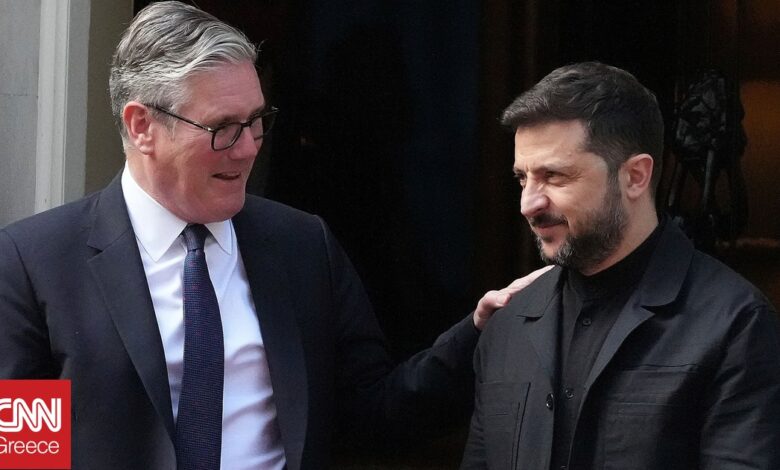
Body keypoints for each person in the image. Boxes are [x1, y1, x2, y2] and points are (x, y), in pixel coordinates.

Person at [0, 2, 546, 469]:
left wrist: (477, 333)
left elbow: (376, 414)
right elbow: (25, 455)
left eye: (257, 121)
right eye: (223, 128)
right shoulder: (35, 263)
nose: (248, 148)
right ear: (142, 126)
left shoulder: (301, 246)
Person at [460, 62, 780, 470]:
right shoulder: (507, 325)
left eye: (554, 176)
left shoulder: (735, 324)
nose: (528, 204)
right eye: (523, 178)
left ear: (635, 176)